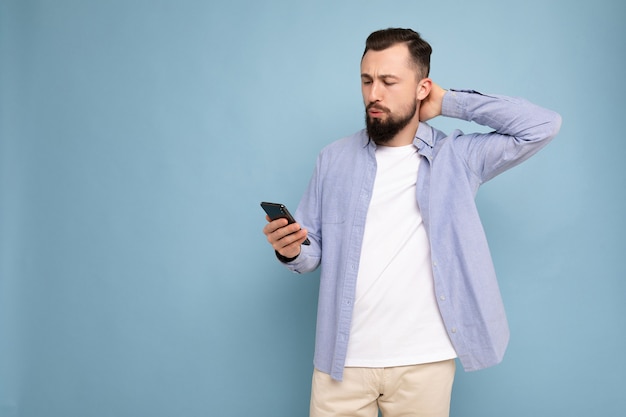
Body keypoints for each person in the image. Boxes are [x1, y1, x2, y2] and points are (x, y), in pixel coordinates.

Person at [262, 28, 561, 417]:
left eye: (389, 81)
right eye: (367, 81)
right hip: (342, 361)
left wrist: (451, 102)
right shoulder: (333, 158)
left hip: (424, 361)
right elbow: (311, 250)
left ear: (422, 87)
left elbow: (542, 125)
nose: (374, 94)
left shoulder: (458, 157)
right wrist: (291, 250)